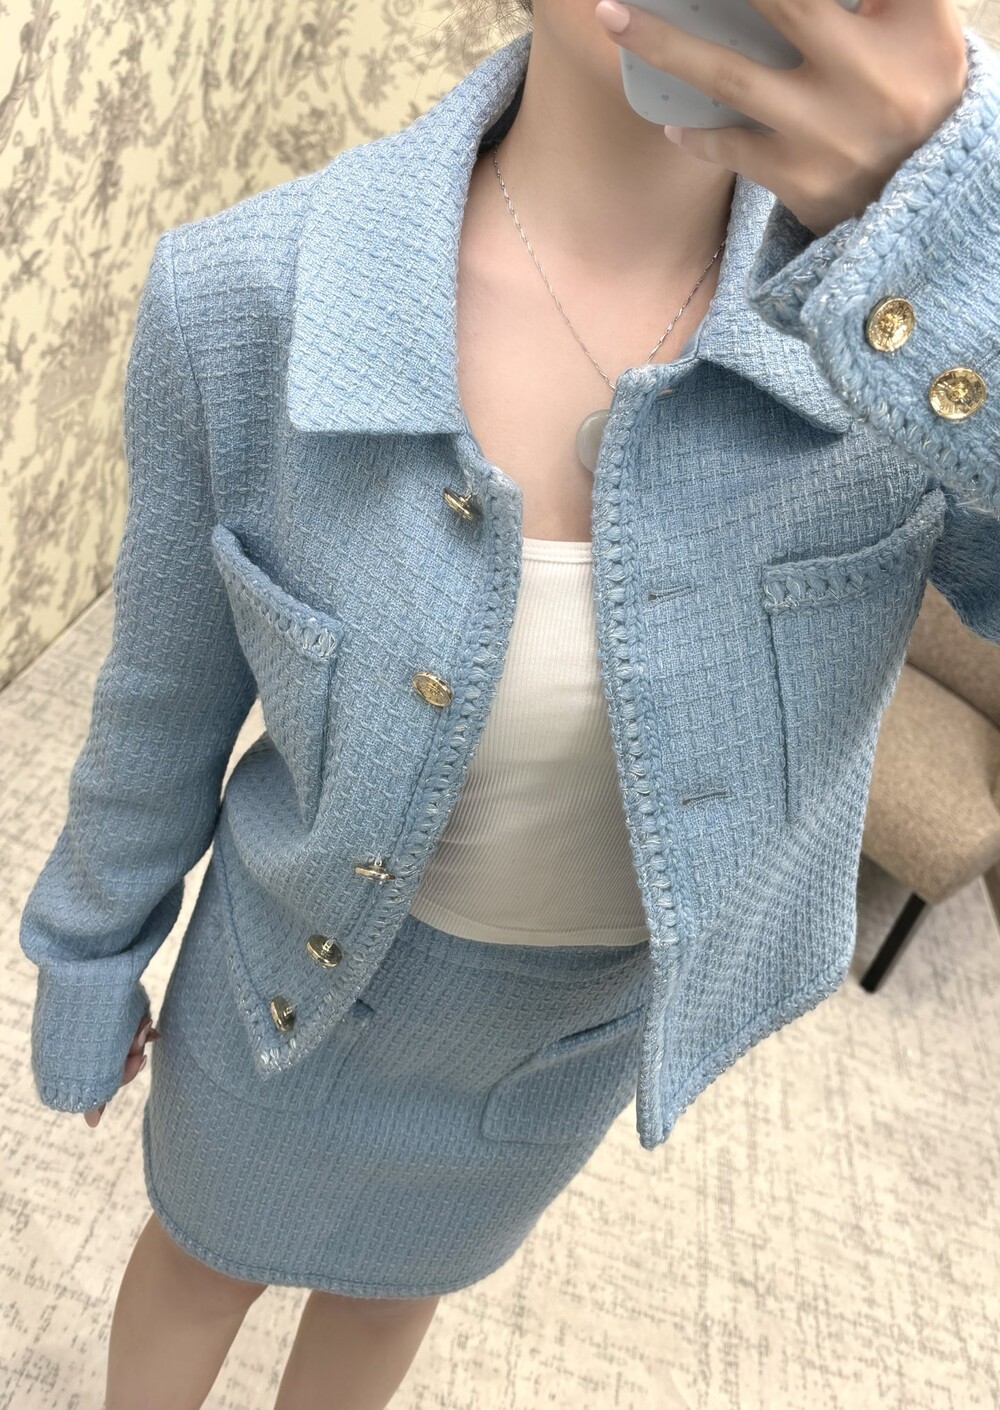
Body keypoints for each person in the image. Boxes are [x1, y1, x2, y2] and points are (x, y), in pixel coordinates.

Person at [18, 0, 996, 1407]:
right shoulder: (245, 298)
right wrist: (88, 951)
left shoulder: (914, 350)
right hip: (283, 995)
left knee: (393, 1293)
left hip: (559, 1043)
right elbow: (162, 697)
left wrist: (956, 234)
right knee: (202, 1257)